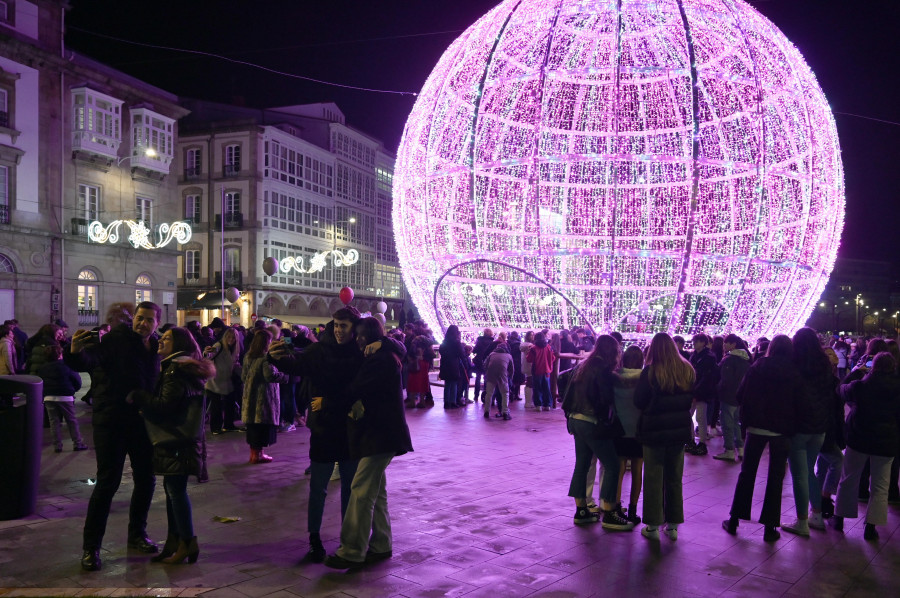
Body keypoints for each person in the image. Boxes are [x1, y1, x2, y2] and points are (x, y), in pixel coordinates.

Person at [269, 306, 404, 563]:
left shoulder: (366, 350)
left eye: (345, 326)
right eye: (337, 325)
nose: (340, 330)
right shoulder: (321, 348)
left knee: (354, 489)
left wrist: (384, 342)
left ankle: (350, 543)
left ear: (357, 329)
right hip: (325, 425)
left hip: (354, 427)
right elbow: (298, 364)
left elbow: (397, 350)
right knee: (320, 485)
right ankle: (315, 538)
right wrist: (275, 358)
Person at [66, 301, 162, 571]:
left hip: (142, 422)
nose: (142, 323)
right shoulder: (117, 339)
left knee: (146, 478)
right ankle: (91, 547)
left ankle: (137, 534)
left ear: (156, 323)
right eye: (139, 318)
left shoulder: (155, 346)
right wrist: (75, 351)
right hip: (112, 421)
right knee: (108, 482)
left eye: (148, 320)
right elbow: (90, 359)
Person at [324, 317, 414, 569]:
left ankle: (351, 549)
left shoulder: (380, 359)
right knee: (377, 491)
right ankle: (382, 543)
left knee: (361, 489)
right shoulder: (380, 354)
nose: (358, 339)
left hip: (380, 434)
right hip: (380, 433)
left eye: (360, 335)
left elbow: (355, 389)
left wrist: (328, 403)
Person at [128, 327, 213, 564]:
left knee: (175, 490)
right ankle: (175, 541)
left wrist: (140, 396)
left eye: (167, 338)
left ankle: (187, 542)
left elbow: (166, 405)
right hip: (181, 439)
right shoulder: (179, 366)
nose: (161, 340)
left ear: (178, 345)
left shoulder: (176, 370)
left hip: (176, 439)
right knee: (172, 489)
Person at [723, 335, 803, 542]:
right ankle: (769, 526)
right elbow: (799, 401)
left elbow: (741, 394)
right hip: (781, 430)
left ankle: (734, 520)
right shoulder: (795, 371)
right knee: (776, 478)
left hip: (756, 428)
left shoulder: (757, 367)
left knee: (747, 473)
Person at [563, 335, 633, 530]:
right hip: (591, 422)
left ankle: (581, 510)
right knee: (612, 465)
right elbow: (603, 400)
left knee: (582, 464)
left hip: (575, 419)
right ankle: (610, 512)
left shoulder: (583, 366)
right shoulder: (603, 370)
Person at [633, 333, 695, 541]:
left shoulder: (650, 372)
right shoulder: (687, 370)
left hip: (654, 431)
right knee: (674, 477)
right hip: (679, 431)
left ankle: (653, 525)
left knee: (653, 476)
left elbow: (639, 401)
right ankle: (674, 524)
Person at [833, 352, 900, 540]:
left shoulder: (860, 386)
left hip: (859, 438)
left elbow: (840, 390)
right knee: (880, 485)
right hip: (886, 442)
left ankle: (839, 518)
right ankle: (871, 526)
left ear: (873, 366)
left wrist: (855, 371)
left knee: (849, 479)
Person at [782, 327, 838, 535]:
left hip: (799, 427)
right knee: (809, 472)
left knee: (799, 475)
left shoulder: (794, 364)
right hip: (819, 427)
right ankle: (816, 514)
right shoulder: (825, 364)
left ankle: (802, 521)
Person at [240, 329, 288, 464]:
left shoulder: (248, 356)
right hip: (264, 397)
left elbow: (243, 376)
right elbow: (270, 375)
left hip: (250, 396)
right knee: (262, 426)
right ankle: (258, 455)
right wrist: (285, 376)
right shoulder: (266, 358)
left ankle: (254, 454)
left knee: (253, 426)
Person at [613, 345, 644, 525]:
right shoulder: (644, 379)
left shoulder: (616, 377)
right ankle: (633, 510)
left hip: (620, 429)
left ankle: (617, 507)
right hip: (639, 429)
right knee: (638, 470)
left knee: (620, 469)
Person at [37, 343, 88, 452]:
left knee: (54, 422)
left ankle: (57, 445)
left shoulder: (42, 368)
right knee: (71, 421)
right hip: (65, 397)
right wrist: (73, 390)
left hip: (49, 397)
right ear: (60, 354)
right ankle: (77, 443)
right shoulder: (66, 366)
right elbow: (77, 381)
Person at [715, 334, 751, 461]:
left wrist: (718, 389)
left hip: (728, 396)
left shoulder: (729, 360)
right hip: (740, 397)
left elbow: (725, 379)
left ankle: (729, 450)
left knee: (727, 423)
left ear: (733, 345)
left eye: (726, 343)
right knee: (736, 423)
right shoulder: (746, 359)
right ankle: (740, 448)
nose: (724, 345)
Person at [204, 327, 243, 435]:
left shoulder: (234, 349)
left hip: (226, 380)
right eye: (229, 337)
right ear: (225, 337)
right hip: (215, 381)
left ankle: (228, 425)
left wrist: (243, 374)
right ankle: (216, 428)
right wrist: (206, 352)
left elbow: (235, 364)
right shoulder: (219, 345)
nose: (231, 339)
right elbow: (209, 356)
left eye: (233, 338)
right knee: (217, 406)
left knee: (229, 403)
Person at [686, 333, 718, 456]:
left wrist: (695, 391)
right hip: (696, 390)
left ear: (703, 342)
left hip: (701, 391)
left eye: (697, 341)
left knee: (700, 417)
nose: (694, 343)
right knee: (692, 416)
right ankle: (692, 441)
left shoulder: (707, 357)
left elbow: (706, 378)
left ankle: (701, 443)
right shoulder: (695, 356)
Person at [438, 325, 467, 410]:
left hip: (445, 363)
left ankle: (446, 402)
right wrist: (465, 365)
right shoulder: (457, 342)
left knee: (447, 384)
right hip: (454, 364)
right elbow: (462, 354)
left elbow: (441, 351)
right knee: (454, 383)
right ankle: (453, 401)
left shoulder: (445, 341)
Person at [483, 341, 514, 420]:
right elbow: (512, 369)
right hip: (502, 375)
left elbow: (485, 364)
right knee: (505, 393)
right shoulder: (508, 356)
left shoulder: (491, 354)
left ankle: (486, 412)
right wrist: (509, 378)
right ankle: (505, 413)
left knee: (489, 394)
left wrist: (486, 373)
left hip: (491, 375)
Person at [527, 332, 556, 411]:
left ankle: (538, 405)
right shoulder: (549, 347)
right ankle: (547, 405)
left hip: (537, 370)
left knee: (537, 388)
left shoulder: (533, 348)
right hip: (547, 371)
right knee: (546, 388)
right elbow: (553, 358)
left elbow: (529, 359)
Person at [472, 328, 495, 402]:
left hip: (479, 361)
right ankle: (485, 394)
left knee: (478, 378)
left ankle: (476, 395)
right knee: (486, 379)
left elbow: (474, 350)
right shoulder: (492, 342)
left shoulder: (479, 340)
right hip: (487, 361)